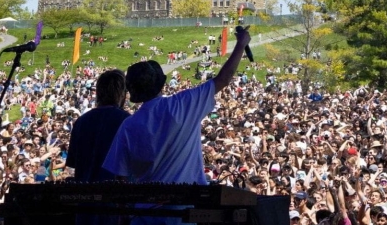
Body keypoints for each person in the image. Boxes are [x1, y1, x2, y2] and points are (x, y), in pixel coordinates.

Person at [103, 27, 251, 224]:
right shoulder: (183, 105)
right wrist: (241, 43)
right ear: (160, 84)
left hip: (144, 216)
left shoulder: (128, 126)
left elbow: (119, 178)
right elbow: (223, 79)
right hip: (183, 214)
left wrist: (124, 214)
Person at [66, 69, 130, 225]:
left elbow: (73, 163)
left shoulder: (81, 121)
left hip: (85, 204)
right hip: (114, 205)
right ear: (121, 94)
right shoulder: (127, 121)